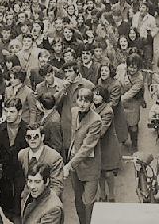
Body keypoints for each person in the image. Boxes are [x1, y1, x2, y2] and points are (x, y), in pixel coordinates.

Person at [63, 88, 102, 224]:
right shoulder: (74, 112)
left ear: (91, 104)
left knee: (89, 202)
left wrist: (69, 164)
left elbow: (87, 147)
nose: (82, 104)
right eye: (80, 100)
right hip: (75, 165)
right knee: (78, 200)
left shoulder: (96, 120)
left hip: (90, 167)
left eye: (86, 101)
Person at [0, 98, 29, 224]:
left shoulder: (28, 130)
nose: (8, 115)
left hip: (22, 180)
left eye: (12, 111)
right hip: (4, 182)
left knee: (21, 214)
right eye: (6, 111)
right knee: (5, 214)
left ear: (20, 112)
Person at [17, 125, 63, 200]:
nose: (32, 139)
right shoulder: (21, 155)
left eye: (35, 136)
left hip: (47, 200)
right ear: (26, 139)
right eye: (29, 137)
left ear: (42, 137)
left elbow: (56, 186)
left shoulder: (54, 157)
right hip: (27, 201)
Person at [119, 54, 144, 149]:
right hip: (121, 102)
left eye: (134, 68)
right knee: (122, 122)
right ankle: (124, 137)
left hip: (133, 103)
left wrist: (118, 99)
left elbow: (131, 93)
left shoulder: (139, 79)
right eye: (130, 67)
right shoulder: (122, 70)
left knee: (133, 123)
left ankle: (134, 141)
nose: (132, 70)